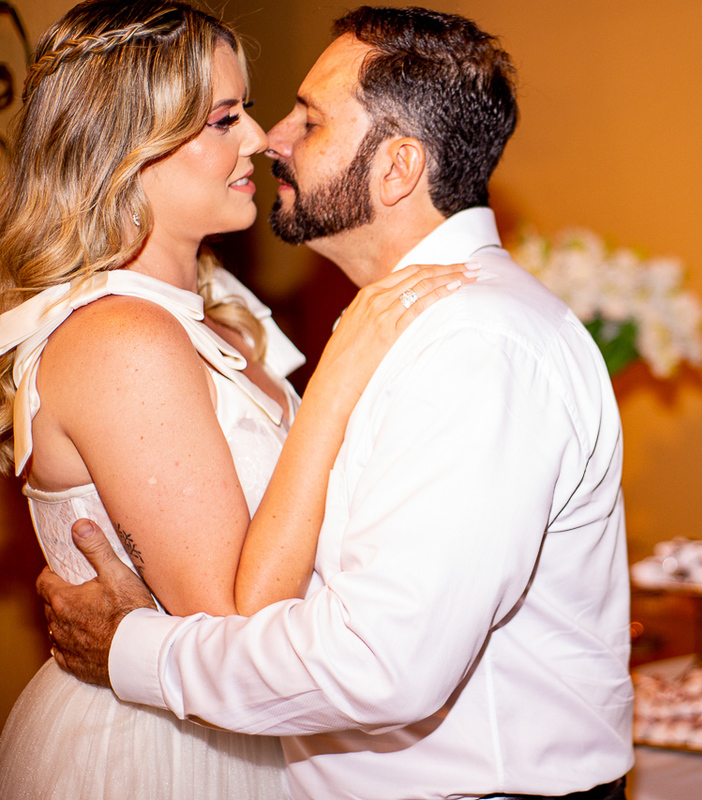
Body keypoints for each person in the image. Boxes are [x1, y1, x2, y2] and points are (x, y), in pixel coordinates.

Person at [41, 6, 635, 800]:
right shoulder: (408, 328)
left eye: (308, 121)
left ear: (396, 169)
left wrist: (130, 649)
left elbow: (381, 664)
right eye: (236, 116)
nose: (269, 138)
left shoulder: (471, 346)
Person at [0, 1, 469, 797]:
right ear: (128, 145)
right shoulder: (123, 340)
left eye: (245, 110)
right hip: (167, 753)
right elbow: (229, 624)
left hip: (259, 732)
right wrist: (341, 375)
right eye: (225, 118)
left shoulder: (218, 308)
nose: (259, 139)